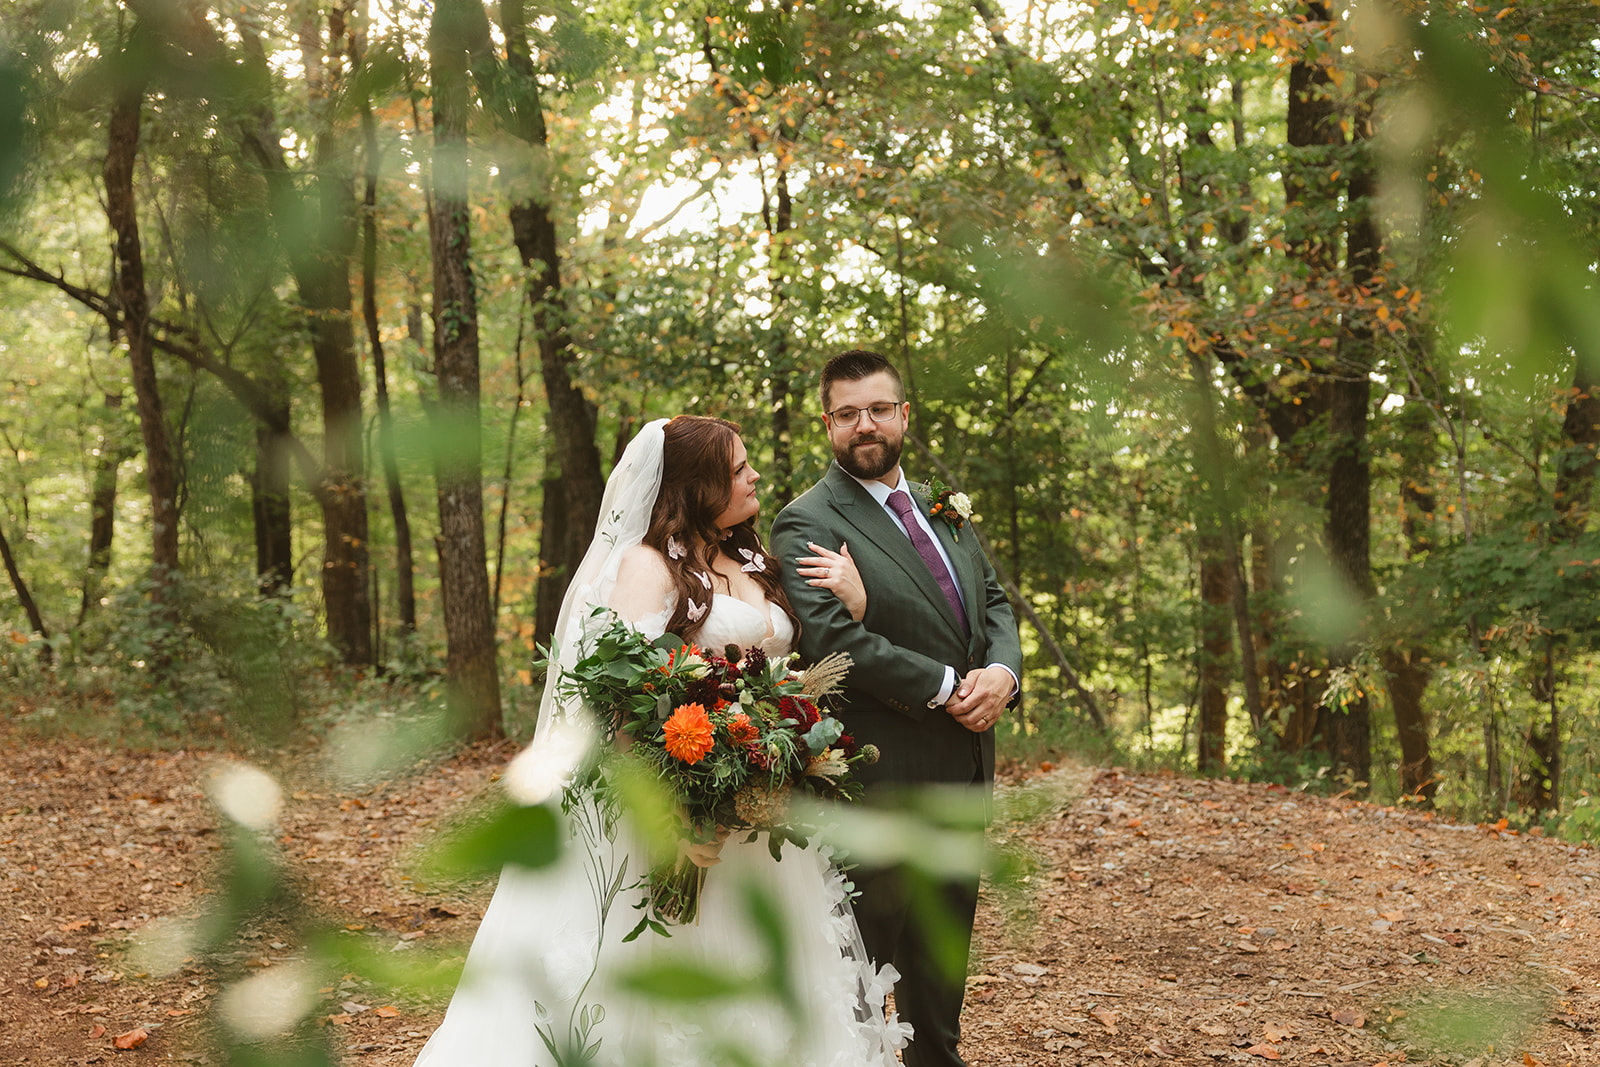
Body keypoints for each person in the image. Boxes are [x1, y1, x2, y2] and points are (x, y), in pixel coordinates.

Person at [412, 415, 908, 1067]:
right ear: (696, 485)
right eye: (737, 468)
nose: (755, 475)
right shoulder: (646, 566)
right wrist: (681, 805)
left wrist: (855, 612)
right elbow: (614, 700)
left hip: (765, 814)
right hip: (675, 819)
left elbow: (806, 668)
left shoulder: (753, 559)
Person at [771, 350, 1023, 1067]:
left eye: (879, 408)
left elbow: (994, 600)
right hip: (880, 785)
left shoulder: (944, 506)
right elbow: (834, 639)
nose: (865, 425)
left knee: (938, 1003)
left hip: (966, 774)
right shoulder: (808, 521)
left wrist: (1001, 671)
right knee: (854, 990)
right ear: (828, 425)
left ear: (904, 414)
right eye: (847, 414)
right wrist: (951, 685)